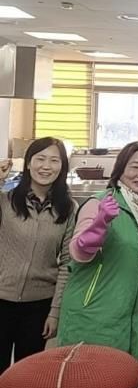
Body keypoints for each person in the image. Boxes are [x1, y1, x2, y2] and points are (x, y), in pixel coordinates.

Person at [58, 142, 138, 361]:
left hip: (130, 318)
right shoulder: (99, 203)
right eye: (135, 166)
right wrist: (99, 226)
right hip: (93, 314)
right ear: (120, 169)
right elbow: (78, 252)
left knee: (123, 377)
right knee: (87, 377)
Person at [0, 138, 76, 374]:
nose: (46, 166)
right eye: (40, 159)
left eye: (54, 160)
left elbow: (68, 263)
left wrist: (55, 311)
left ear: (62, 167)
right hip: (1, 298)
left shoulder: (68, 209)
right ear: (28, 163)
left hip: (39, 305)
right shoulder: (6, 201)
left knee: (27, 375)